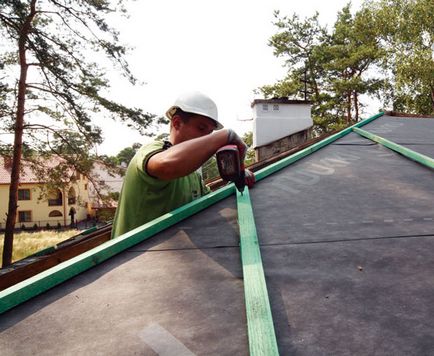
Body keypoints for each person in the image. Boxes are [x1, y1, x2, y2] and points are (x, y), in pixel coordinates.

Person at [111, 91, 255, 238]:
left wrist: (235, 182)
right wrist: (225, 136)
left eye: (210, 133)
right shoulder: (150, 151)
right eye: (201, 128)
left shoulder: (193, 175)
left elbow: (209, 206)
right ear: (177, 123)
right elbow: (166, 166)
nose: (206, 138)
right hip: (129, 258)